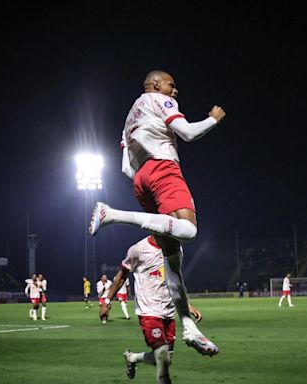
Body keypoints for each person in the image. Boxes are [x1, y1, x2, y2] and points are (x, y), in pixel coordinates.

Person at [89, 69, 225, 356]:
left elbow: (127, 168)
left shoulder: (130, 117)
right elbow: (187, 133)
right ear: (155, 84)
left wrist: (144, 176)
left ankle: (189, 328)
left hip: (141, 181)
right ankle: (111, 214)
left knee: (172, 266)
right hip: (163, 170)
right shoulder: (159, 101)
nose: (175, 91)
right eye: (171, 86)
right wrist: (213, 118)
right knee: (188, 230)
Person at [100, 235, 203, 384]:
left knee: (166, 359)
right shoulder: (139, 250)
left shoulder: (175, 248)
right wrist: (107, 301)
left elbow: (176, 280)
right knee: (162, 356)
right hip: (148, 310)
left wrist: (187, 304)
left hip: (168, 310)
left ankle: (132, 358)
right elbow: (122, 275)